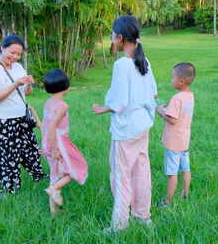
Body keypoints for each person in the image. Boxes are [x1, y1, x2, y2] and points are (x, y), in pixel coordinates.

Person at [92, 15, 158, 232]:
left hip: (126, 129)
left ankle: (119, 225)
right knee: (141, 172)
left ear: (120, 38)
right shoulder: (144, 61)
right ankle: (143, 216)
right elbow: (153, 93)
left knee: (121, 176)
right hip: (142, 126)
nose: (111, 39)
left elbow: (120, 102)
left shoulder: (122, 64)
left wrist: (105, 108)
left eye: (112, 35)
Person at [0, 35, 47, 194]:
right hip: (3, 122)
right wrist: (16, 83)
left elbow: (26, 93)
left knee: (30, 149)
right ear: (3, 47)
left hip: (22, 118)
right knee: (7, 157)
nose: (15, 57)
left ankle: (38, 176)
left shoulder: (18, 67)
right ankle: (9, 189)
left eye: (18, 54)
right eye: (12, 52)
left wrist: (29, 84)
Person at [38, 69, 88, 214]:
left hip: (48, 139)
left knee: (55, 173)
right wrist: (54, 149)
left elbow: (45, 124)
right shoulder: (62, 106)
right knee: (77, 168)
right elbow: (53, 126)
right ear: (66, 86)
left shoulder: (48, 102)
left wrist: (44, 143)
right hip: (58, 142)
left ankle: (54, 211)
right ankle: (54, 189)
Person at [156, 62, 196, 207]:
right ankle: (185, 194)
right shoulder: (189, 96)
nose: (171, 80)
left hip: (173, 142)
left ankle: (167, 201)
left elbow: (172, 119)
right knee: (186, 168)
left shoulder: (177, 98)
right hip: (184, 140)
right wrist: (168, 107)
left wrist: (160, 111)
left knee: (172, 173)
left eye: (172, 77)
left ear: (181, 81)